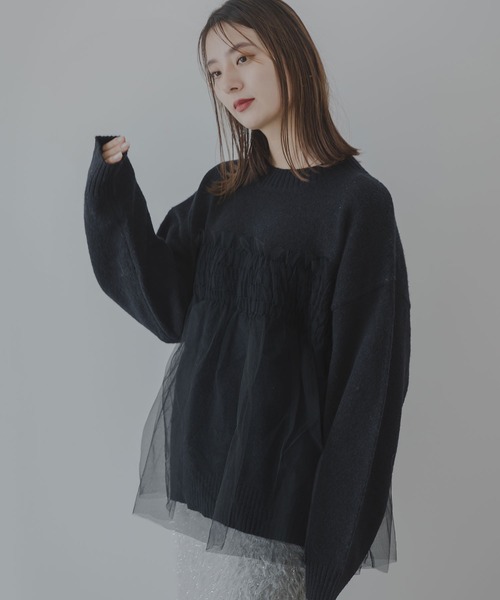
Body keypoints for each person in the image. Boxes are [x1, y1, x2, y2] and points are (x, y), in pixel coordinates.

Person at [83, 0, 411, 598]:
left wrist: (332, 545)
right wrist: (113, 191)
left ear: (291, 56)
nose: (228, 82)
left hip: (280, 501)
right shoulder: (223, 189)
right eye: (214, 71)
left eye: (243, 58)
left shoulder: (357, 204)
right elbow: (166, 307)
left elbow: (368, 387)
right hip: (201, 485)